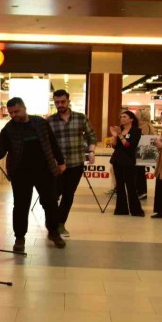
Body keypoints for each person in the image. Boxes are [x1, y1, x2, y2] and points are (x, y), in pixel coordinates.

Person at [0, 97, 66, 252]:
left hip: (45, 170)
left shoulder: (40, 123)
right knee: (20, 206)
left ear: (24, 108)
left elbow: (52, 142)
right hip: (20, 173)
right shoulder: (8, 129)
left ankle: (54, 232)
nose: (14, 115)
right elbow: (2, 147)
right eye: (11, 113)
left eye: (16, 111)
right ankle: (19, 237)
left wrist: (61, 161)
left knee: (50, 202)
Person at [47, 89, 97, 236]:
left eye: (63, 101)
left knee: (68, 195)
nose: (60, 105)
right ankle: (52, 223)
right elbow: (46, 142)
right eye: (57, 102)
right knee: (53, 196)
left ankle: (60, 224)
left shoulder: (81, 118)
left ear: (68, 101)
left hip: (76, 163)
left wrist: (91, 151)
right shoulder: (50, 121)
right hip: (57, 166)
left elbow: (91, 135)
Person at [109, 110, 144, 217]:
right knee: (119, 185)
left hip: (128, 161)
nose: (122, 118)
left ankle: (136, 210)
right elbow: (115, 146)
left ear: (131, 119)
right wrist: (114, 136)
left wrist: (120, 135)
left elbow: (129, 146)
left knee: (130, 185)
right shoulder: (121, 129)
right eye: (121, 117)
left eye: (124, 116)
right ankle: (121, 209)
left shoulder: (136, 131)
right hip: (117, 160)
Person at [136, 109, 156, 200]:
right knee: (140, 172)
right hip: (145, 152)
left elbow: (141, 138)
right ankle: (141, 191)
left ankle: (142, 191)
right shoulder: (149, 125)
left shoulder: (144, 126)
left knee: (139, 172)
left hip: (141, 152)